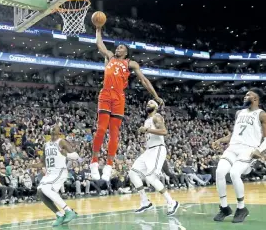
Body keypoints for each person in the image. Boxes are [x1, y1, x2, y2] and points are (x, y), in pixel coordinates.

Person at [90, 27, 164, 182]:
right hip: (105, 94)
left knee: (114, 133)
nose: (118, 48)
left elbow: (144, 80)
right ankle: (94, 162)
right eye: (118, 46)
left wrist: (155, 96)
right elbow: (99, 44)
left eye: (121, 47)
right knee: (101, 129)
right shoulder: (110, 57)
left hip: (119, 97)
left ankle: (109, 165)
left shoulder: (131, 64)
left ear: (126, 52)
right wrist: (98, 29)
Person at [212, 88, 266, 223]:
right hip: (233, 147)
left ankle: (241, 208)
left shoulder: (262, 115)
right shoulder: (239, 113)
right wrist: (220, 140)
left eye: (248, 95)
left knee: (234, 173)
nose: (245, 97)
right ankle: (224, 207)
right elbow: (235, 134)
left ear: (255, 99)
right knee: (220, 172)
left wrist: (259, 150)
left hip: (248, 149)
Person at [128, 100, 180, 216]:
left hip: (158, 149)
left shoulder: (157, 117)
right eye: (147, 103)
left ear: (156, 107)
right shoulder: (146, 120)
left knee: (151, 177)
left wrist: (147, 130)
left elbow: (164, 131)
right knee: (132, 173)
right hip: (149, 150)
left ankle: (172, 202)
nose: (148, 104)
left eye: (151, 103)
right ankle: (145, 202)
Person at [32, 125, 80, 227]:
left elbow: (76, 156)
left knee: (47, 189)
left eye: (56, 127)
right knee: (40, 191)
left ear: (59, 132)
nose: (53, 127)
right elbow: (43, 163)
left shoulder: (61, 142)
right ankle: (59, 215)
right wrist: (33, 165)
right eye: (52, 127)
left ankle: (68, 211)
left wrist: (66, 154)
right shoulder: (46, 145)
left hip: (59, 171)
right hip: (50, 173)